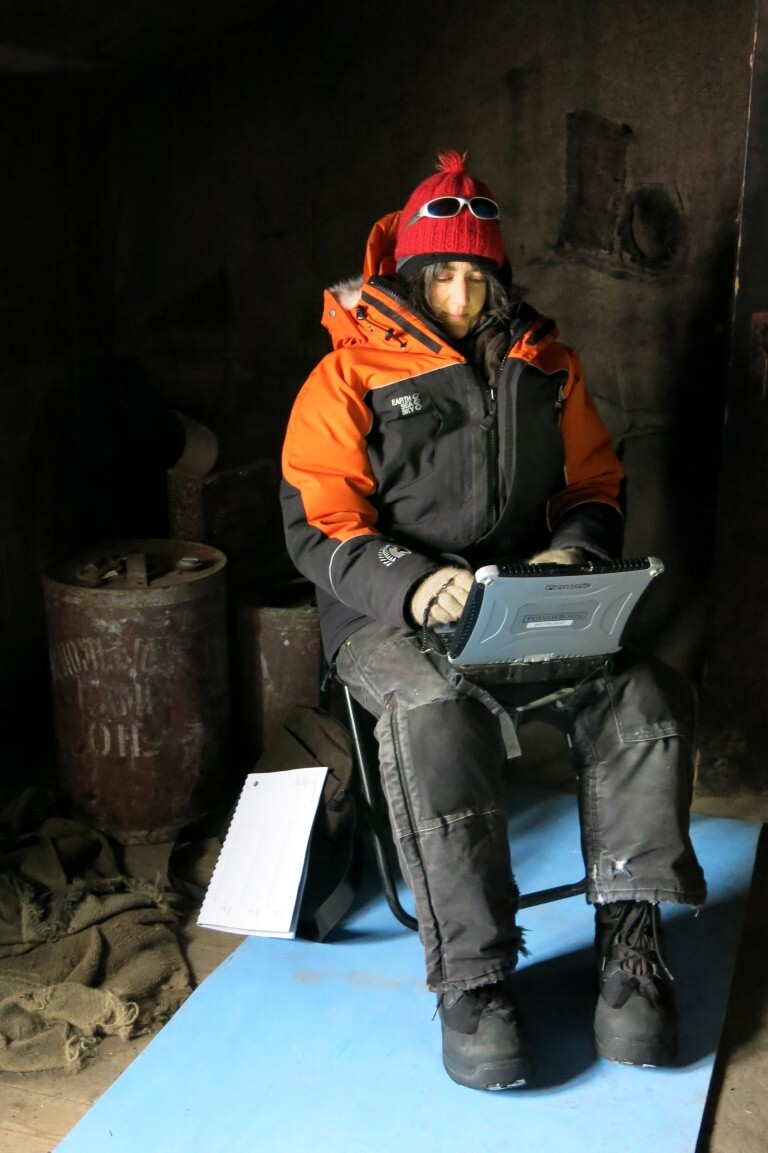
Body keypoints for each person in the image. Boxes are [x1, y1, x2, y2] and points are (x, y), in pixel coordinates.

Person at [280, 150, 706, 1091]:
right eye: (443, 272)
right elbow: (320, 524)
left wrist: (571, 553)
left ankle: (632, 953)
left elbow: (595, 481)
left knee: (642, 691)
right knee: (436, 716)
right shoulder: (346, 373)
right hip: (384, 613)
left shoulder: (545, 364)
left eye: (479, 273)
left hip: (517, 598)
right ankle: (474, 980)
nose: (463, 292)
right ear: (411, 273)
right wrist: (412, 584)